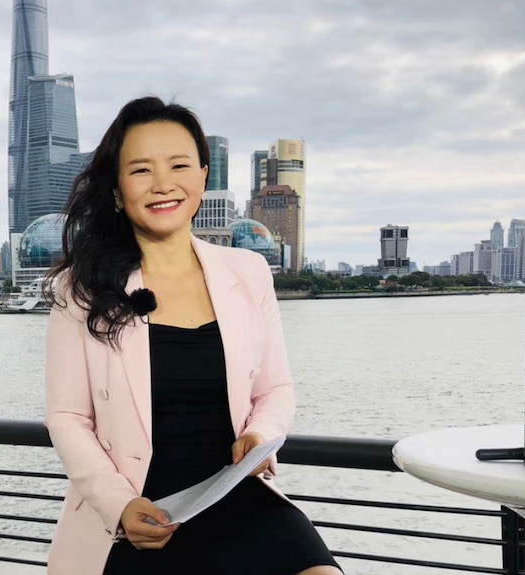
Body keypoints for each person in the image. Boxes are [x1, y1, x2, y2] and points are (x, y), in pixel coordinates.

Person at [43, 96, 342, 575]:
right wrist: (120, 505)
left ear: (203, 176)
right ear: (117, 191)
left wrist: (261, 433)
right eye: (141, 170)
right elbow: (66, 417)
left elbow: (276, 390)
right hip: (142, 515)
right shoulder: (80, 288)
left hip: (237, 496)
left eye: (179, 165)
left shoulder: (247, 271)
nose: (163, 183)